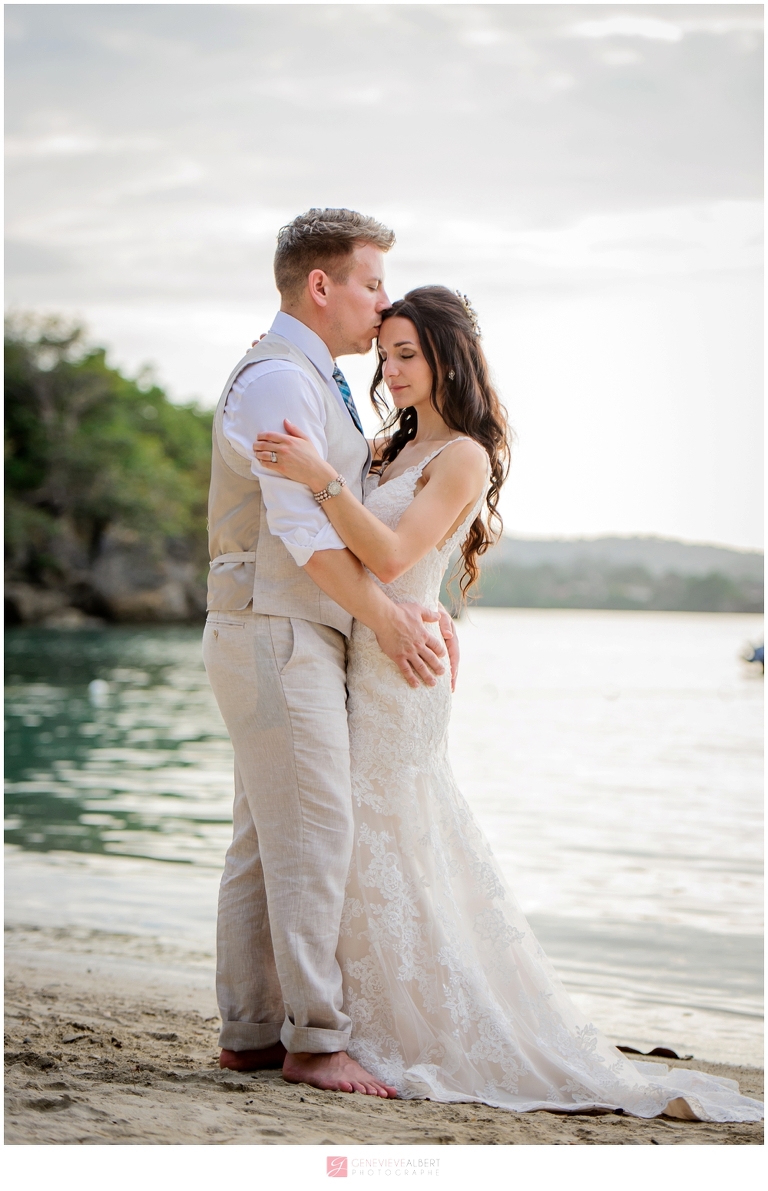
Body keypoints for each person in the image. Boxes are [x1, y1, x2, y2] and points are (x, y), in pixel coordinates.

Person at [253, 285, 763, 1122]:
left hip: (399, 675)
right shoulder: (387, 445)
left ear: (449, 356)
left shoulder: (464, 457)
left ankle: (396, 1023)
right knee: (352, 839)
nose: (392, 368)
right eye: (385, 353)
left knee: (399, 836)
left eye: (408, 353)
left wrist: (319, 480)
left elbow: (386, 554)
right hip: (366, 653)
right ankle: (330, 1016)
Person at [203, 209, 459, 1099]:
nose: (382, 300)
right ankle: (315, 1039)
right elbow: (305, 533)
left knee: (265, 835)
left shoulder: (313, 379)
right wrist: (389, 617)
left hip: (285, 627)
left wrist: (415, 600)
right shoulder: (281, 380)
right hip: (274, 623)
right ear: (323, 285)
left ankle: (250, 1032)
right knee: (315, 828)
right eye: (371, 281)